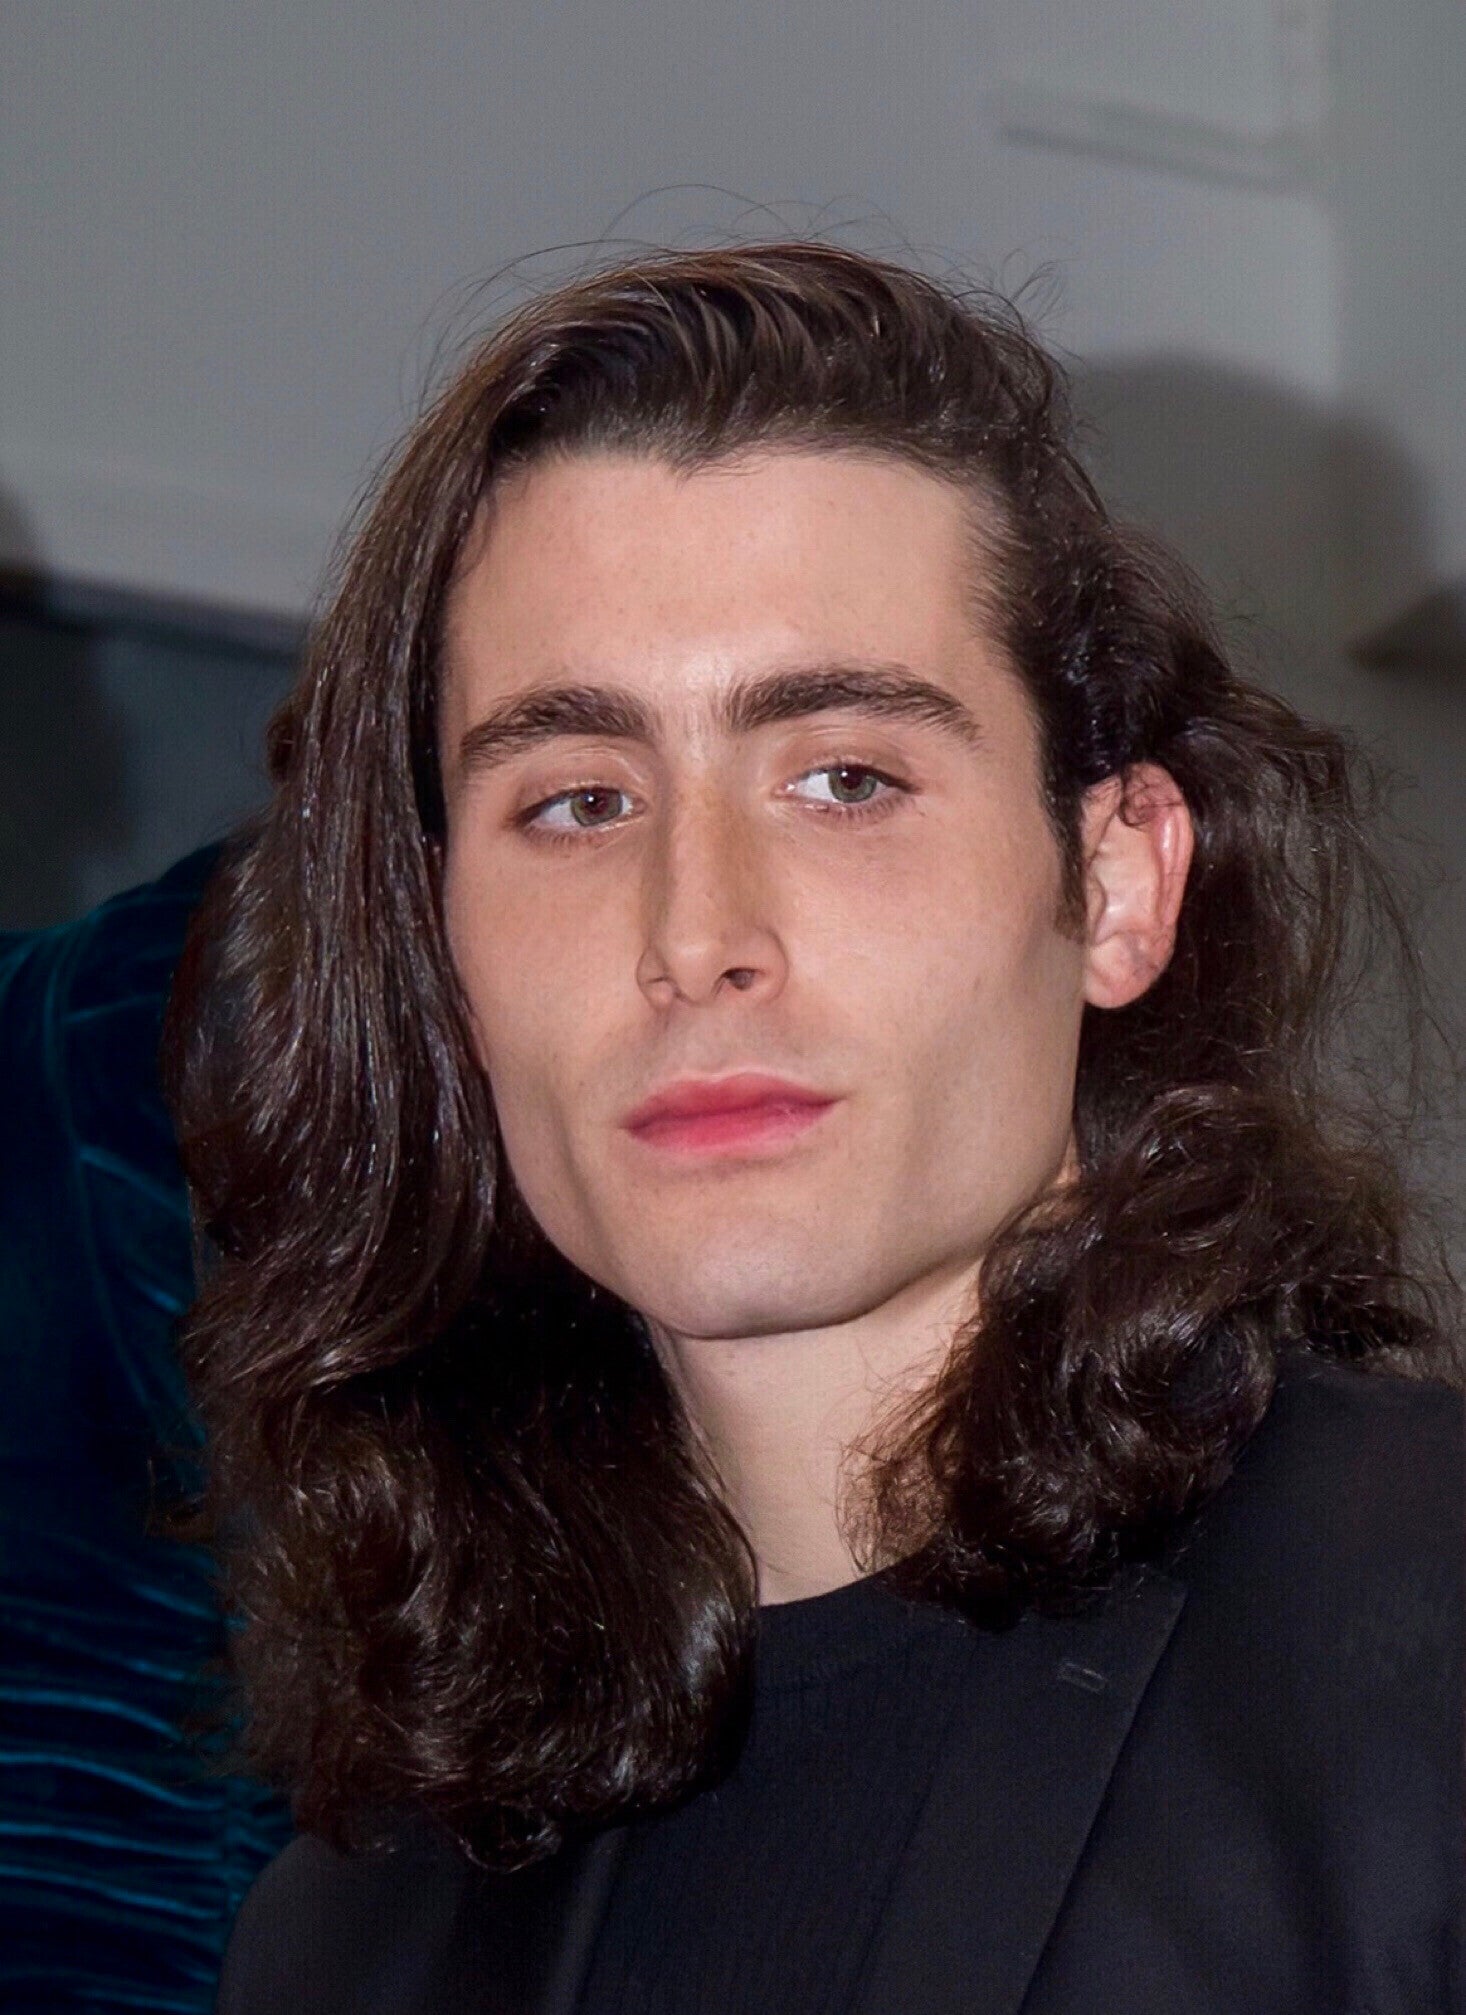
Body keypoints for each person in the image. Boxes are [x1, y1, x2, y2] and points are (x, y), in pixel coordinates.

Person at [165, 244, 1462, 2015]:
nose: (696, 933)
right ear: (440, 951)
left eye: (845, 779)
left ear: (1112, 885)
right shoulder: (353, 1928)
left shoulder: (1416, 1630)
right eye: (578, 800)